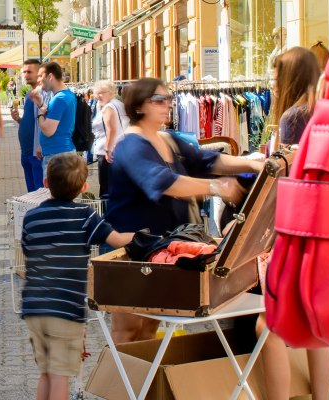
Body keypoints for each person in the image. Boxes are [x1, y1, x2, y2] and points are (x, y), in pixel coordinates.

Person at [104, 78, 265, 343]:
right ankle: (124, 382)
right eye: (159, 100)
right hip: (131, 249)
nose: (167, 105)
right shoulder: (131, 145)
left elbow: (208, 160)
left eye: (169, 99)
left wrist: (252, 164)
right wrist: (216, 187)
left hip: (160, 249)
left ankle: (147, 382)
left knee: (149, 327)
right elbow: (164, 183)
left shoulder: (167, 140)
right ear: (140, 106)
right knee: (130, 328)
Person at [20, 153, 134, 400]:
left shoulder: (31, 217)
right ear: (84, 187)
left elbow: (27, 252)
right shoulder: (85, 217)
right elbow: (117, 241)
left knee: (47, 373)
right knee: (61, 375)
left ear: (46, 182)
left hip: (34, 306)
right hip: (65, 306)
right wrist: (141, 235)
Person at [258, 46, 329, 400]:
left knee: (269, 324)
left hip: (297, 229)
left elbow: (288, 181)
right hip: (327, 231)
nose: (272, 86)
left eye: (275, 78)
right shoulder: (328, 111)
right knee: (314, 327)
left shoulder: (295, 116)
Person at [271, 47, 322, 150]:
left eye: (276, 80)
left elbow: (286, 164)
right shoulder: (319, 110)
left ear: (288, 80)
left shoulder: (292, 117)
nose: (273, 86)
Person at [32, 62, 77, 166]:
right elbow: (59, 123)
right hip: (60, 153)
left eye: (40, 76)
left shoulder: (59, 99)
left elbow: (48, 130)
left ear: (50, 76)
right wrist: (41, 105)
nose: (38, 80)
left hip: (57, 156)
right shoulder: (66, 94)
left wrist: (40, 113)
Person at [12, 59, 46, 192]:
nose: (26, 75)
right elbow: (32, 120)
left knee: (39, 192)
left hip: (36, 151)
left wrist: (41, 145)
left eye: (29, 72)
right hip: (26, 151)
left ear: (39, 73)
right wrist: (19, 120)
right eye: (24, 72)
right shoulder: (29, 94)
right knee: (31, 193)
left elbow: (47, 121)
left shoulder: (43, 93)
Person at [91, 80, 129, 198]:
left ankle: (107, 213)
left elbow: (111, 129)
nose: (98, 96)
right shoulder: (118, 104)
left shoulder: (109, 107)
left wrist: (108, 150)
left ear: (111, 93)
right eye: (97, 93)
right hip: (120, 149)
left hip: (108, 152)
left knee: (106, 188)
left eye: (102, 93)